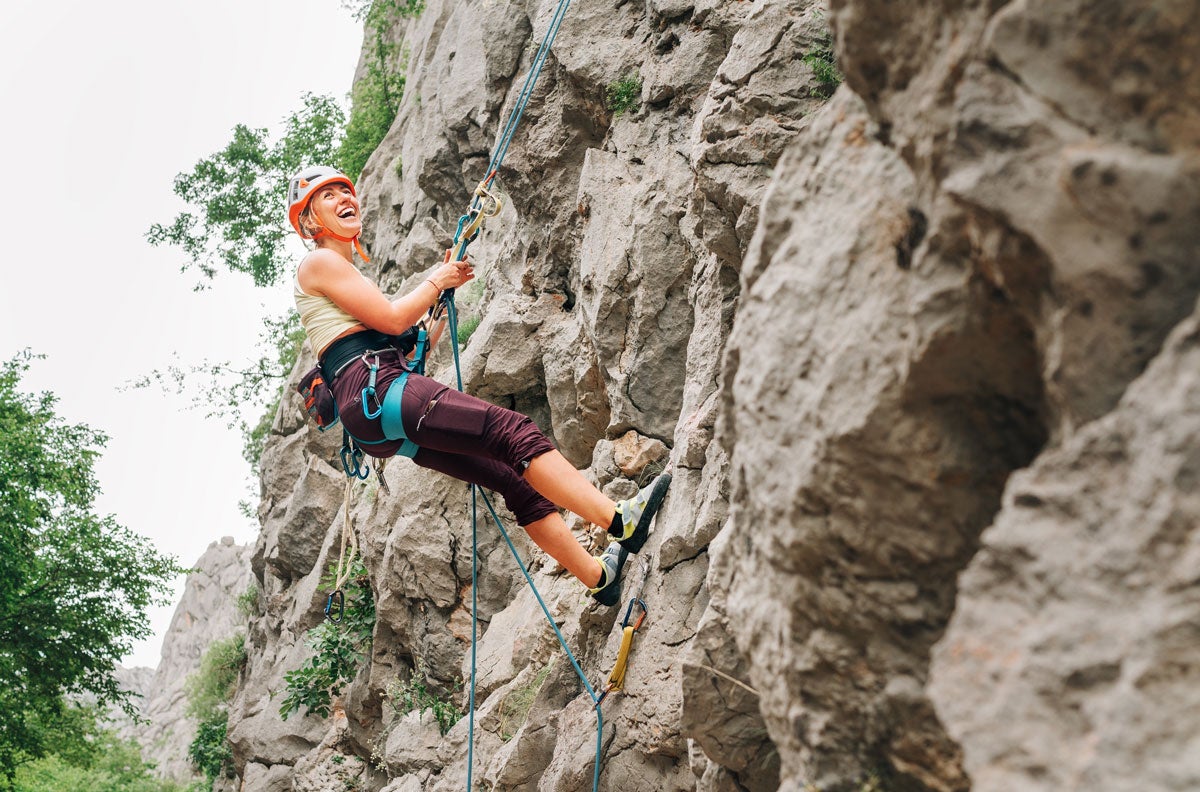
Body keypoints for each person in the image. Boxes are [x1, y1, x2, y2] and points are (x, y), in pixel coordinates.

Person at [287, 165, 670, 606]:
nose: (344, 198)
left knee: (512, 480)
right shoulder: (320, 262)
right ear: (310, 220)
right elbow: (393, 319)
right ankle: (620, 520)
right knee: (512, 432)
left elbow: (411, 347)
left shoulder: (343, 278)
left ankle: (599, 577)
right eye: (328, 195)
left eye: (345, 190)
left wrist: (440, 292)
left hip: (374, 414)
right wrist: (436, 280)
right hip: (377, 389)